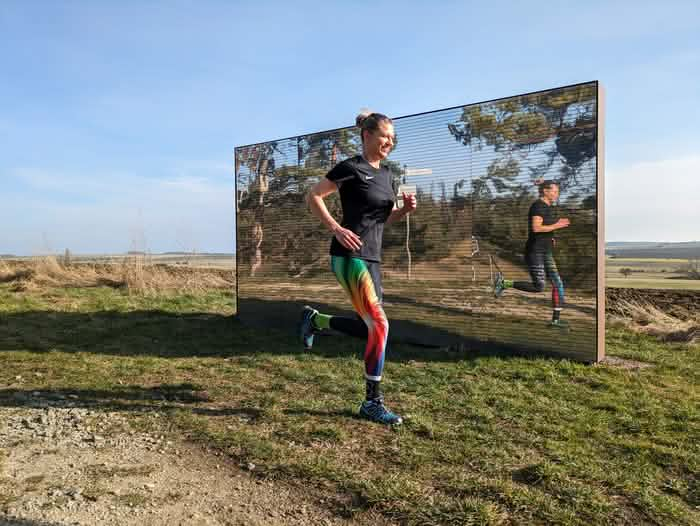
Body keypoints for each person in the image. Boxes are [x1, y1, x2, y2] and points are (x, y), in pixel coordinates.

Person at [299, 111, 417, 426]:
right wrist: (336, 228)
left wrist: (402, 211)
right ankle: (371, 403)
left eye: (393, 138)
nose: (389, 142)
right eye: (384, 136)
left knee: (369, 328)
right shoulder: (350, 167)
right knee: (380, 325)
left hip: (373, 257)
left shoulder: (389, 175)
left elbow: (381, 220)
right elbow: (314, 195)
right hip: (349, 255)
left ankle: (316, 320)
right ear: (366, 135)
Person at [493, 179, 570, 328]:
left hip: (546, 251)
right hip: (536, 252)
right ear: (546, 191)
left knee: (558, 283)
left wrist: (551, 237)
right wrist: (557, 225)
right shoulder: (538, 206)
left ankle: (555, 321)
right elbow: (536, 228)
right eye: (554, 191)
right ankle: (504, 283)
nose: (557, 194)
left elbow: (545, 227)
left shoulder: (547, 207)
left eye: (557, 191)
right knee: (539, 287)